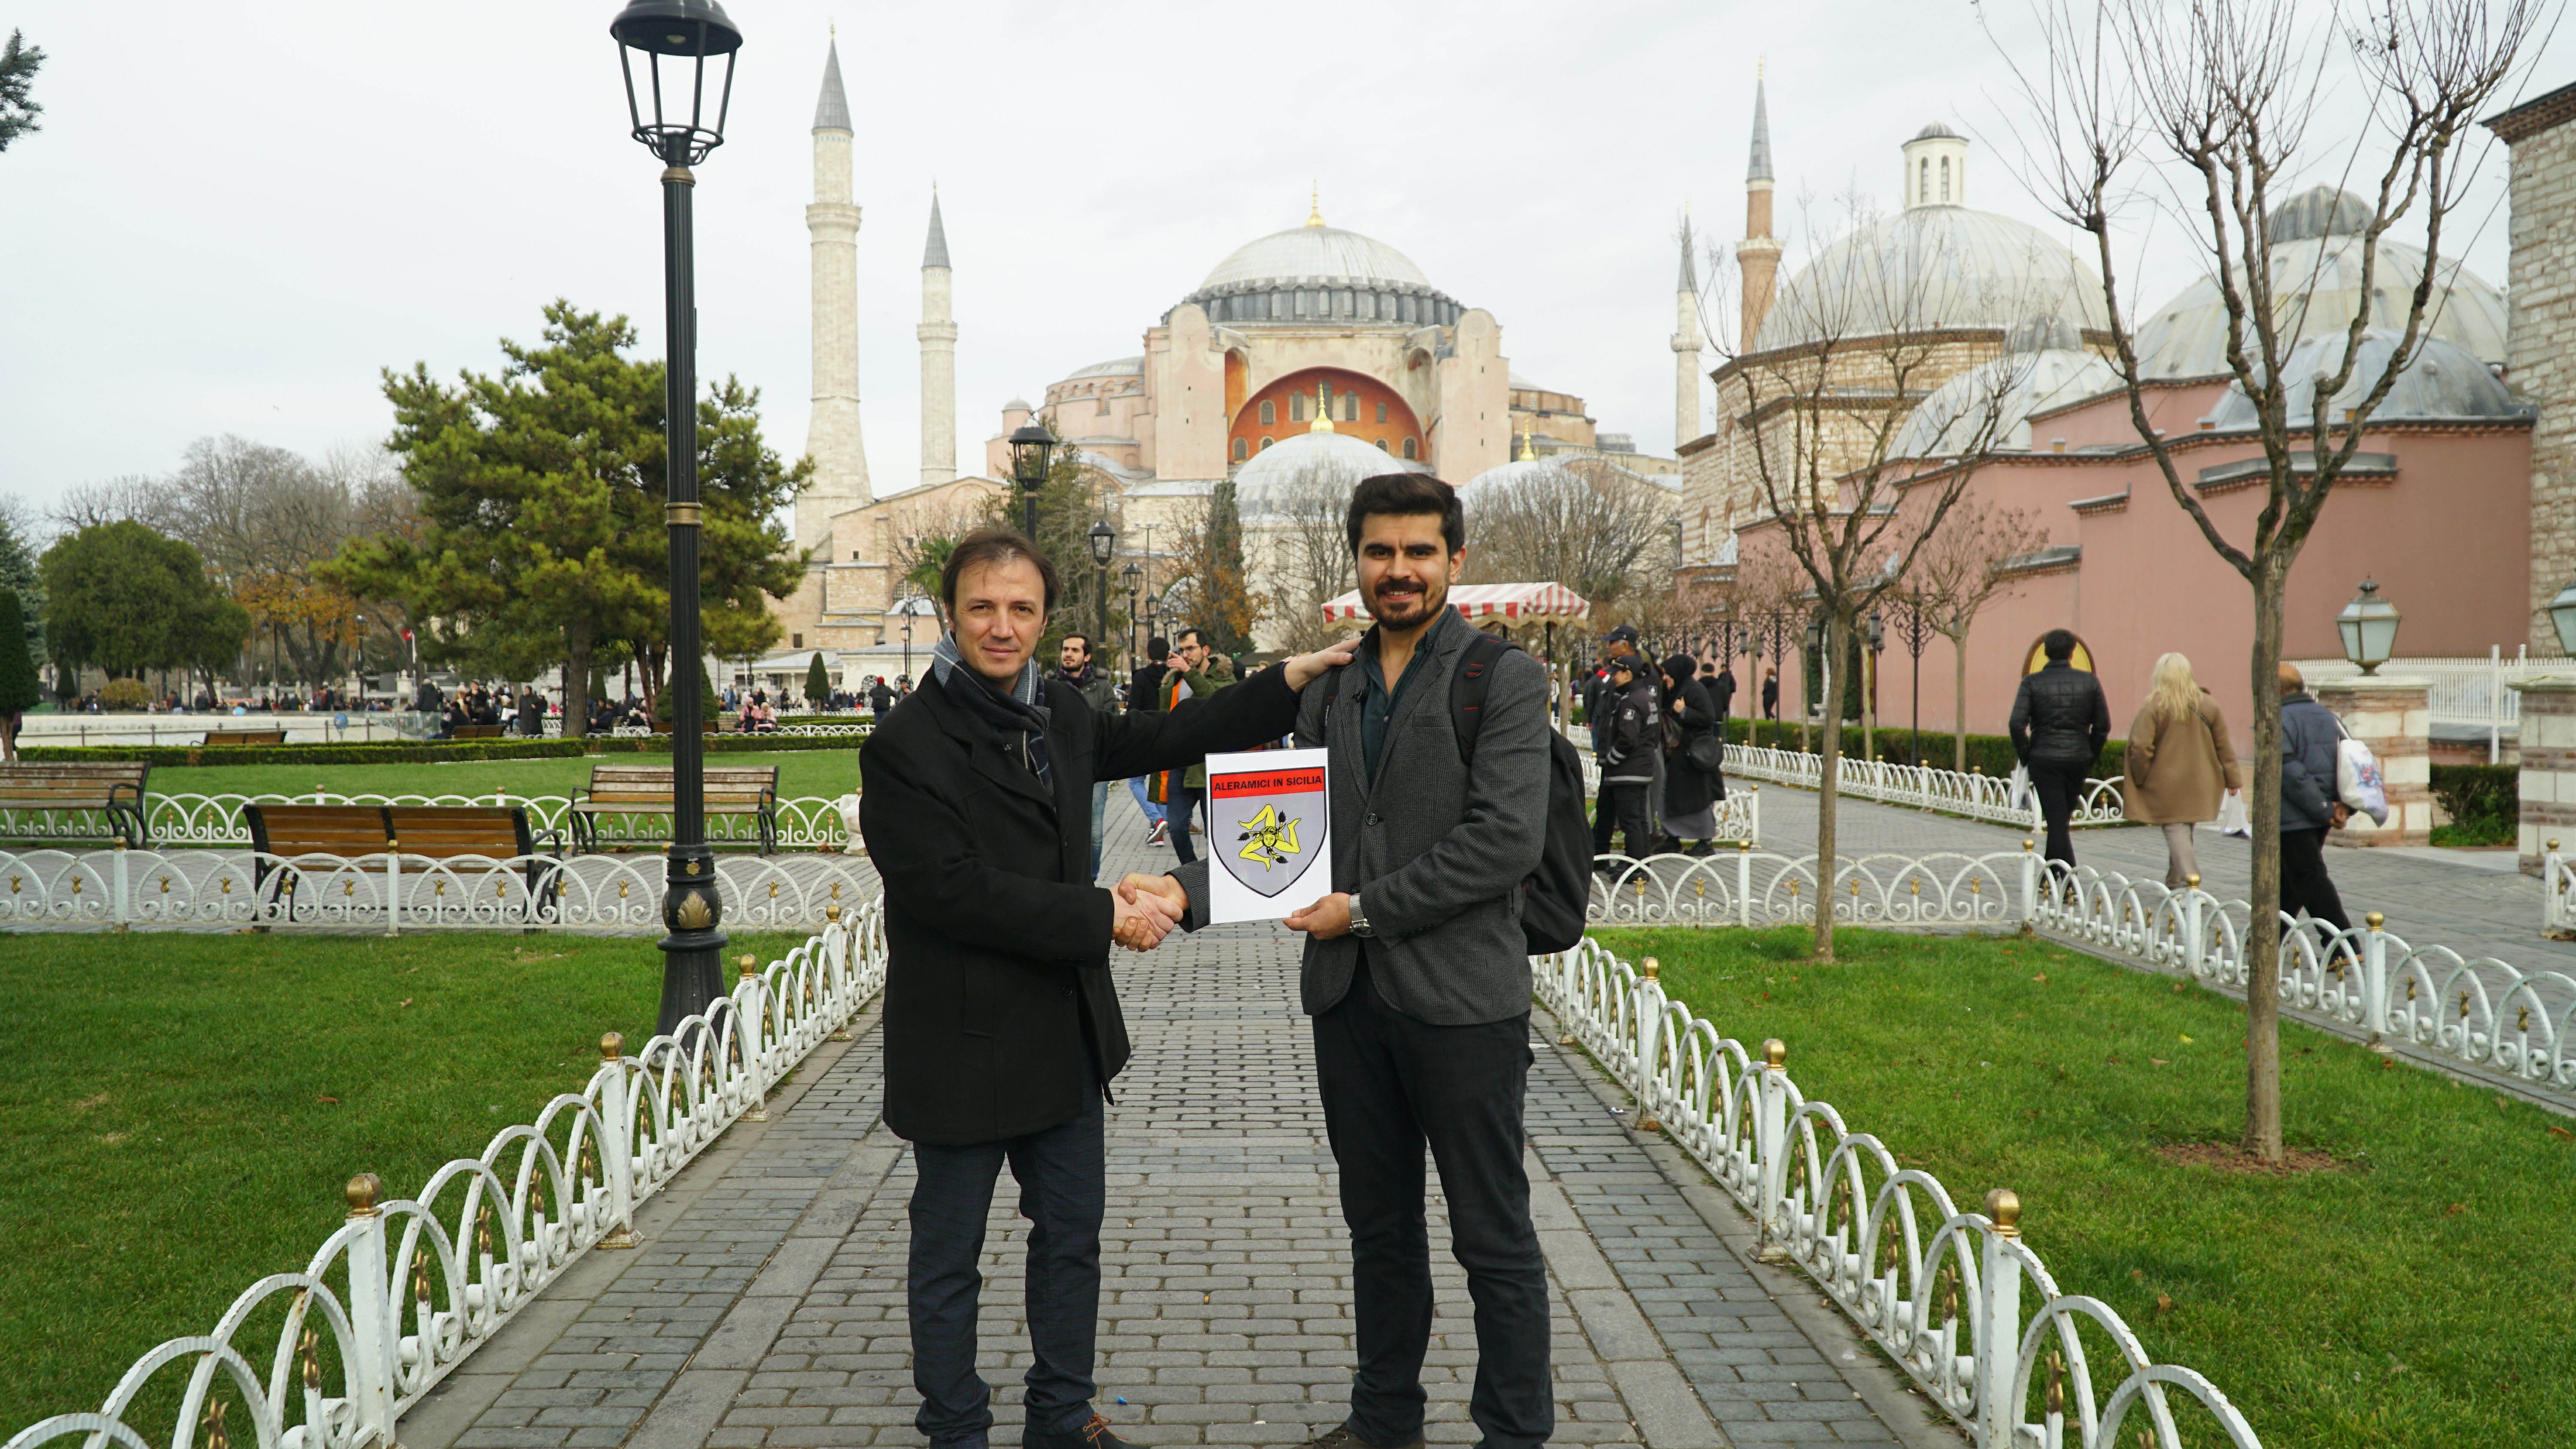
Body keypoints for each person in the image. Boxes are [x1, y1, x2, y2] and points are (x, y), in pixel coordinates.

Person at [861, 527, 1355, 1449]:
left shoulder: (1056, 712)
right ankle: (956, 1427)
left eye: (1020, 609)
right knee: (949, 1256)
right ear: (949, 613)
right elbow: (949, 889)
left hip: (1060, 1027)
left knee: (1071, 1238)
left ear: (1047, 619)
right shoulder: (906, 742)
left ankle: (1059, 1414)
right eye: (981, 607)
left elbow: (1170, 733)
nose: (1001, 627)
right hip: (961, 1036)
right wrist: (1103, 916)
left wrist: (1285, 679)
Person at [1128, 471, 1555, 1449]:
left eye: (1418, 551)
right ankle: (1383, 1420)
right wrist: (1188, 889)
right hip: (1351, 1004)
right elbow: (1292, 834)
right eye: (1380, 552)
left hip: (1463, 1003)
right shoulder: (1334, 684)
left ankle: (1516, 1431)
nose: (1398, 571)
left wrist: (1364, 910)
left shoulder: (1503, 677)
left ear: (1455, 558)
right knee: (1381, 1229)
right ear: (1356, 559)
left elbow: (1505, 841)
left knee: (1492, 1234)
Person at [2122, 652, 2242, 888]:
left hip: (2165, 784)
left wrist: (2141, 776)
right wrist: (2233, 779)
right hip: (2202, 782)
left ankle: (2190, 883)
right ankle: (2175, 883)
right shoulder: (2208, 705)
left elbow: (2140, 746)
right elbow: (2224, 746)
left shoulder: (2154, 707)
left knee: (2176, 829)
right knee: (2183, 831)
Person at [2008, 628, 2111, 876]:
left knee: (2057, 821)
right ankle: (2055, 875)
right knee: (2060, 820)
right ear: (2072, 653)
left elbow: (2016, 724)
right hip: (2078, 758)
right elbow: (2103, 726)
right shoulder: (2090, 682)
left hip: (2044, 758)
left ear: (2045, 653)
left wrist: (2027, 755)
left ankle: (2064, 878)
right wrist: (2089, 754)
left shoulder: (2031, 683)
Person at [2277, 662, 2354, 934]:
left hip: (2294, 815)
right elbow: (2353, 763)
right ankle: (2266, 937)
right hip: (2324, 811)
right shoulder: (2328, 717)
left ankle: (2342, 944)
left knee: (2309, 878)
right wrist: (2341, 807)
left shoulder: (2277, 720)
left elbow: (2289, 772)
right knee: (2292, 878)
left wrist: (2324, 808)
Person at [1055, 632, 1120, 878]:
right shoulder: (1050, 685)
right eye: (1065, 649)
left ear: (1087, 656)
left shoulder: (1102, 687)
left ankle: (1090, 879)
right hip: (1059, 766)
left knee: (1093, 830)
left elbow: (1112, 726)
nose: (1068, 654)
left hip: (1093, 767)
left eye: (1074, 650)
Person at [1157, 628, 1221, 864]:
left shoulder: (1222, 675)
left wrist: (1188, 671)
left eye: (1190, 649)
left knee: (1215, 832)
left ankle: (1216, 874)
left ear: (1205, 650)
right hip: (1181, 762)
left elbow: (1218, 702)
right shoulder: (1177, 679)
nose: (1185, 654)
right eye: (1181, 650)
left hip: (1210, 765)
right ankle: (1193, 872)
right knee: (1176, 827)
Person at [1659, 654, 1724, 855]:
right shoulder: (1676, 689)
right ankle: (1671, 836)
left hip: (1693, 757)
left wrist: (1684, 711)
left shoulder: (1695, 690)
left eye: (1668, 674)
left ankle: (1706, 841)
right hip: (1679, 755)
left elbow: (1708, 717)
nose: (1665, 678)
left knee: (1699, 800)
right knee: (1669, 795)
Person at [1589, 623, 1644, 860]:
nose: (1608, 647)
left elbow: (1635, 728)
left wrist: (1614, 756)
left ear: (1625, 645)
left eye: (1612, 643)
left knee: (1632, 816)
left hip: (1628, 761)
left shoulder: (1641, 678)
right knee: (1605, 809)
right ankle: (1599, 855)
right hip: (1614, 757)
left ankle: (1636, 865)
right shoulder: (1616, 676)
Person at [1598, 655, 1659, 862]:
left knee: (1630, 820)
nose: (1613, 678)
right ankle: (1640, 864)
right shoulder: (1646, 697)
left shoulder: (1631, 701)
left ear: (1628, 674)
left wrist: (1611, 761)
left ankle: (1634, 869)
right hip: (1642, 768)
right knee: (1640, 820)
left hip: (1628, 771)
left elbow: (1628, 740)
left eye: (1616, 673)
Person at [1127, 637, 1173, 846]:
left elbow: (1133, 707)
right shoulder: (1174, 676)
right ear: (1168, 654)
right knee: (1159, 783)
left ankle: (1157, 820)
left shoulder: (1141, 677)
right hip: (1168, 734)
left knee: (1136, 782)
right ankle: (1160, 831)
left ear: (1147, 655)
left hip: (1144, 735)